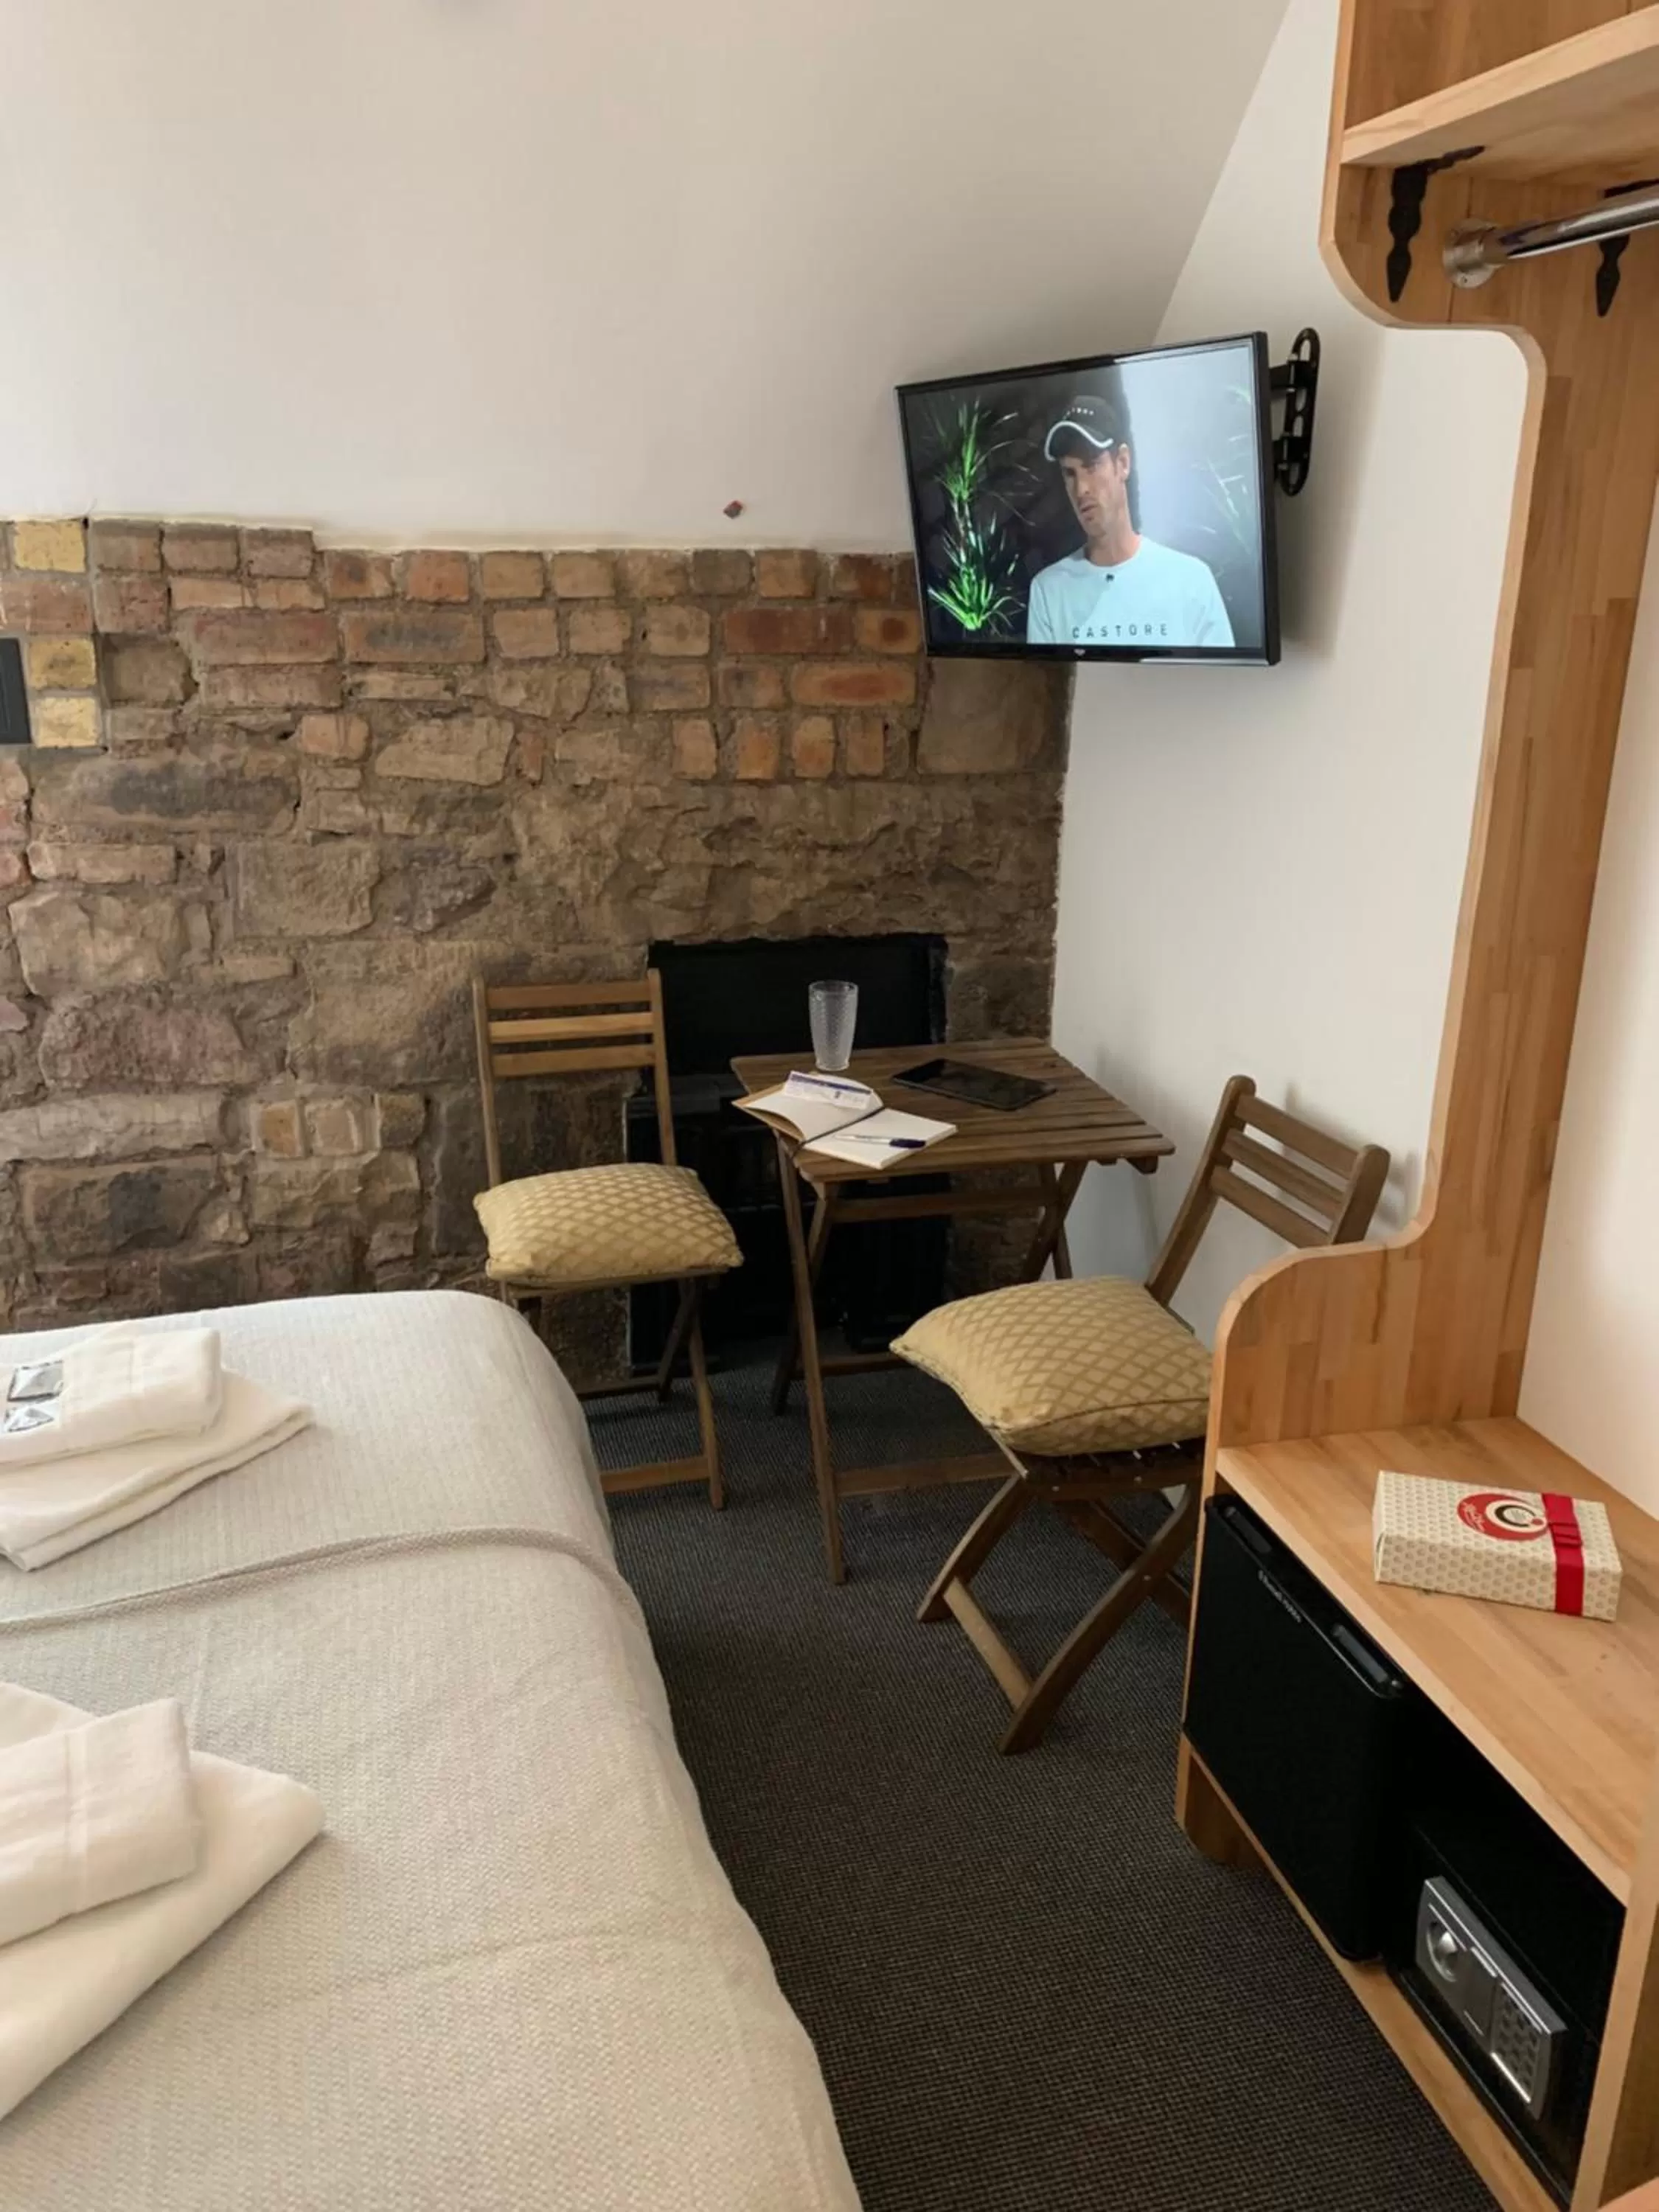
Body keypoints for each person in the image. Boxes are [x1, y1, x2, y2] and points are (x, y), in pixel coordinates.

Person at [1026, 390, 1234, 649]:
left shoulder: (1192, 581)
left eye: (1092, 465)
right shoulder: (1050, 592)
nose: (1081, 489)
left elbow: (1221, 675)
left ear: (1122, 463)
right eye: (1070, 473)